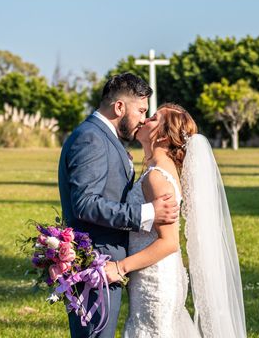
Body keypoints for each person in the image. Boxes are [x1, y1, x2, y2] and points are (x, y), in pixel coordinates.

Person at [105, 103, 246, 338]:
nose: (145, 120)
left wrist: (121, 267)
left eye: (153, 118)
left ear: (161, 137)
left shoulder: (157, 178)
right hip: (158, 274)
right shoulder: (160, 170)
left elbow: (169, 242)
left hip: (155, 279)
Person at [58, 73, 180, 338]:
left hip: (109, 264)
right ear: (119, 107)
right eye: (141, 110)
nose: (143, 119)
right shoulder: (91, 138)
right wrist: (147, 212)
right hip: (96, 264)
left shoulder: (104, 137)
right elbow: (85, 203)